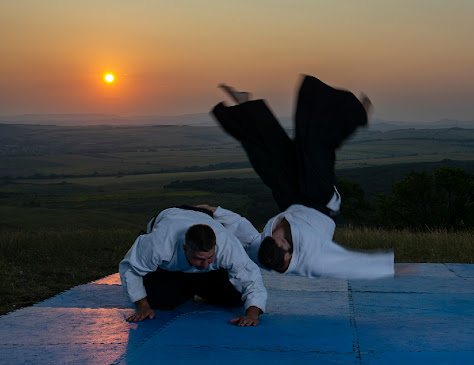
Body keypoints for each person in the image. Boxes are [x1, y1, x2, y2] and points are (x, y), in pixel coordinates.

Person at [207, 75, 394, 279]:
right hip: (319, 203)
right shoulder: (313, 258)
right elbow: (347, 265)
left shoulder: (262, 249)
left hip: (291, 202)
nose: (277, 234)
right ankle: (357, 115)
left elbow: (241, 230)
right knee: (313, 145)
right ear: (288, 257)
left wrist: (215, 212)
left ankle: (245, 104)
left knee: (268, 157)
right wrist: (388, 269)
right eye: (282, 240)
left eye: (272, 237)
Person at [119, 205, 267, 326]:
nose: (204, 264)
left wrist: (252, 315)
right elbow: (130, 268)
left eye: (209, 257)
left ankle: (196, 285)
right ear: (185, 248)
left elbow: (251, 278)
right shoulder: (159, 243)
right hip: (171, 215)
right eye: (198, 259)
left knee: (235, 298)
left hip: (201, 216)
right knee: (160, 302)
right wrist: (143, 307)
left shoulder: (227, 244)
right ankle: (189, 286)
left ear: (215, 247)